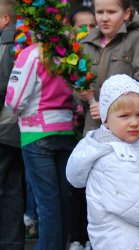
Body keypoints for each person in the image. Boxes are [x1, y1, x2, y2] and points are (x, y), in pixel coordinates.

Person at [66, 74, 139, 249]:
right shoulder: (110, 157)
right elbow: (135, 203)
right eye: (124, 116)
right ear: (106, 119)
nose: (134, 122)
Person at [5, 42, 77, 250]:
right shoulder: (68, 51)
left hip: (36, 131)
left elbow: (15, 100)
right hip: (66, 129)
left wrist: (14, 111)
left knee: (47, 202)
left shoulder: (31, 54)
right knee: (62, 199)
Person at [76, 0, 139, 136]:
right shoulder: (86, 43)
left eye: (112, 12)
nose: (104, 18)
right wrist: (79, 94)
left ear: (126, 13)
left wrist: (106, 107)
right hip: (93, 129)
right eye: (99, 12)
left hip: (129, 130)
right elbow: (76, 83)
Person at [68, 7, 97, 250]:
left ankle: (92, 237)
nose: (86, 31)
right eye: (81, 26)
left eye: (91, 26)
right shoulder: (67, 55)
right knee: (76, 185)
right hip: (73, 127)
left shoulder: (96, 51)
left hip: (95, 124)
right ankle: (77, 235)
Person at [0, 0, 25, 249]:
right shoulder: (22, 42)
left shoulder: (6, 44)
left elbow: (2, 84)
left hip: (3, 126)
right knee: (13, 187)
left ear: (5, 19)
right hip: (17, 127)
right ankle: (12, 242)